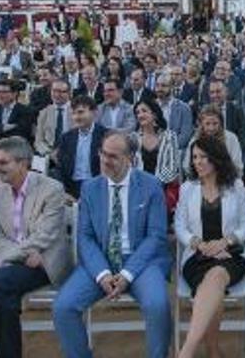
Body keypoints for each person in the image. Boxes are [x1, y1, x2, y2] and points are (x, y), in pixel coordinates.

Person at [53, 132, 172, 358]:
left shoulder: (151, 186)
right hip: (101, 261)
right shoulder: (90, 188)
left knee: (158, 307)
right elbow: (85, 237)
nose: (105, 161)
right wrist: (102, 274)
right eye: (103, 154)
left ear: (130, 159)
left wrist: (127, 274)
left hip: (142, 261)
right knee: (63, 307)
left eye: (113, 156)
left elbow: (156, 237)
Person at [0, 137, 71, 358]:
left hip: (45, 263)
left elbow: (44, 237)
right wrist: (15, 257)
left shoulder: (51, 189)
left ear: (23, 164)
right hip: (22, 261)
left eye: (3, 162)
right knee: (6, 301)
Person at [173, 136, 245, 358]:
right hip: (196, 256)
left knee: (215, 278)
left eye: (203, 157)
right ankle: (212, 350)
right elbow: (179, 224)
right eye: (195, 157)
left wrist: (225, 241)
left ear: (216, 159)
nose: (197, 162)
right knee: (212, 291)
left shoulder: (235, 186)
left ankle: (187, 351)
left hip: (229, 254)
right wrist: (196, 242)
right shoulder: (188, 188)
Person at [131, 99, 180, 212]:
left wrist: (152, 186)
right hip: (139, 192)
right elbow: (131, 168)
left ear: (154, 114)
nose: (140, 115)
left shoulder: (169, 136)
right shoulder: (133, 138)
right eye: (137, 112)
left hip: (163, 190)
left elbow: (172, 168)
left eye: (144, 111)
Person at [53, 95, 106, 198]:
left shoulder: (105, 136)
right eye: (74, 113)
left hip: (98, 186)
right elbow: (60, 168)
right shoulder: (66, 138)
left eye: (81, 112)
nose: (77, 117)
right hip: (72, 187)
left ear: (94, 112)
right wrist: (63, 192)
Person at [184, 105, 243, 178]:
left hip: (226, 179)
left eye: (215, 123)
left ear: (221, 123)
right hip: (201, 181)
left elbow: (237, 166)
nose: (211, 128)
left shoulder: (231, 138)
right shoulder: (195, 140)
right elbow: (187, 166)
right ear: (202, 124)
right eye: (207, 124)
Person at [0, 79, 35, 157]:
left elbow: (21, 133)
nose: (0, 95)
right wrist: (2, 128)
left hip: (16, 150)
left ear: (14, 94)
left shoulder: (25, 111)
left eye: (4, 92)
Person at [34, 79, 73, 159]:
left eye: (61, 91)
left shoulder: (77, 111)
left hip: (72, 154)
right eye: (54, 91)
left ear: (69, 93)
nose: (57, 95)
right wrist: (50, 154)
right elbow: (38, 141)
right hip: (49, 155)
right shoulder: (44, 112)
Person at [155, 74, 194, 150]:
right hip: (153, 151)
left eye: (163, 86)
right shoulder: (150, 106)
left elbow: (185, 136)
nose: (159, 89)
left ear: (172, 87)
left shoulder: (184, 108)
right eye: (157, 85)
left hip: (175, 152)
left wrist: (168, 149)